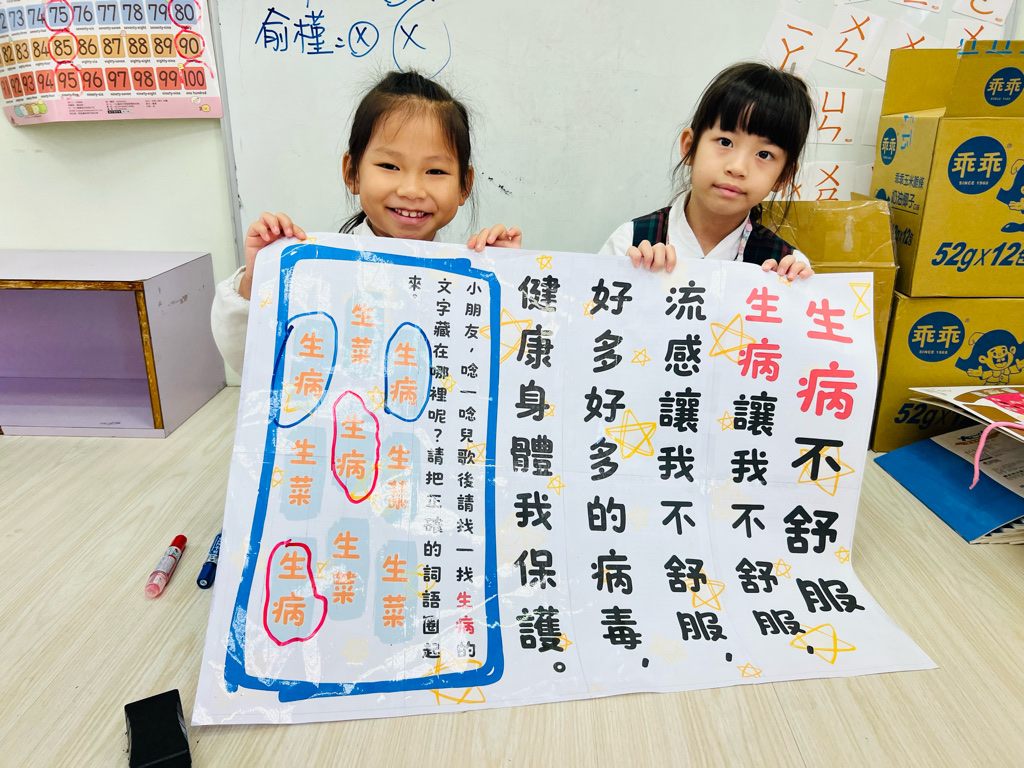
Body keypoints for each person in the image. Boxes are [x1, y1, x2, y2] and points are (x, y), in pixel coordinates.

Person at [211, 71, 520, 375]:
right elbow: (251, 365)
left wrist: (509, 285)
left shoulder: (469, 284)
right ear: (352, 173)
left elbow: (501, 369)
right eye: (389, 165)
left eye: (435, 171)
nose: (412, 190)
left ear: (465, 185)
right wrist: (257, 280)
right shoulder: (314, 272)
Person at [600, 62, 815, 279]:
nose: (737, 168)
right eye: (725, 142)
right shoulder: (628, 243)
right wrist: (632, 277)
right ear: (689, 147)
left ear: (784, 176)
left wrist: (787, 291)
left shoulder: (786, 268)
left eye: (764, 154)